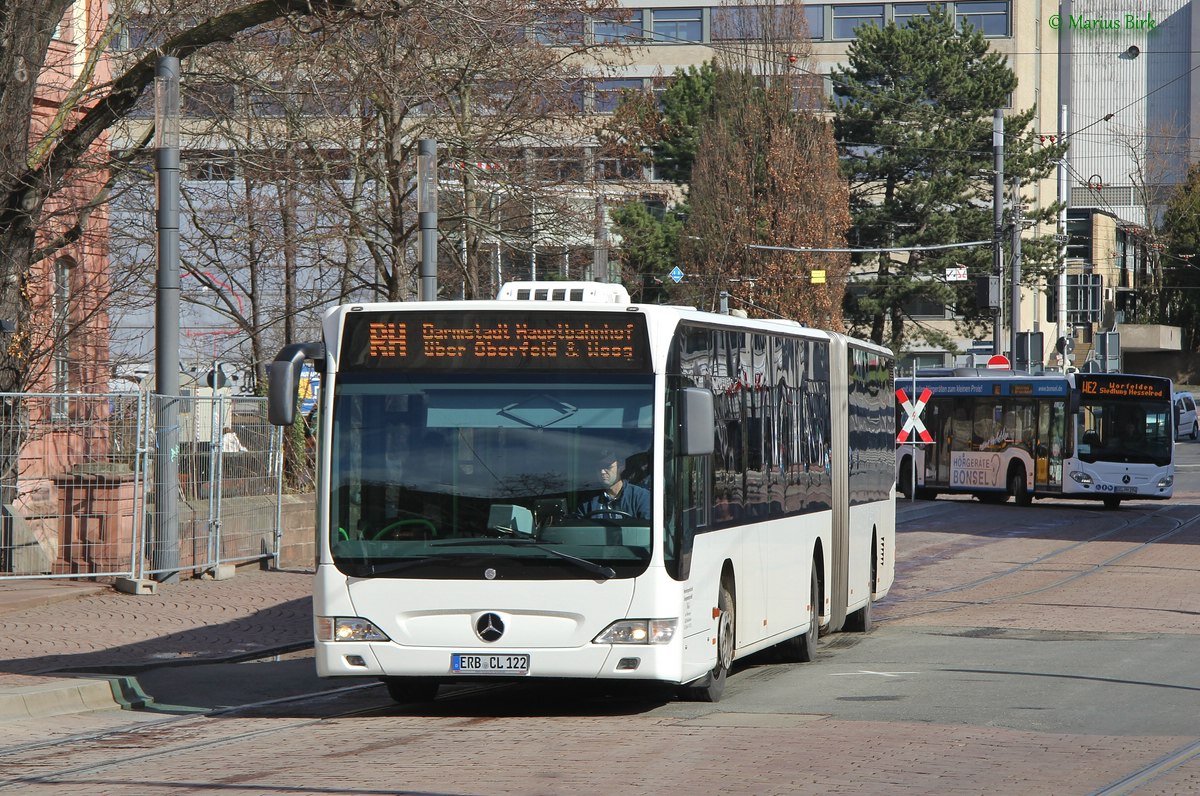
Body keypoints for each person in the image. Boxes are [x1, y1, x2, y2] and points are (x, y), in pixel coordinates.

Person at [576, 449, 650, 519]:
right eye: (599, 467)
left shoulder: (641, 497)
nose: (602, 472)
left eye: (608, 467)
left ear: (621, 467)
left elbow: (648, 529)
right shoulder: (588, 501)